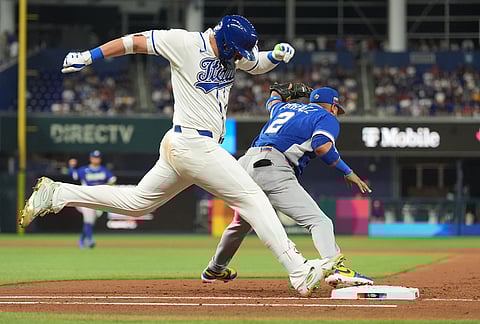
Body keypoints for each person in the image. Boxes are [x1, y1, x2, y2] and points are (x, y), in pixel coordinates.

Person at [20, 15, 343, 297]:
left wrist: (274, 55)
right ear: (225, 40)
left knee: (138, 203)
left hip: (185, 146)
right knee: (253, 198)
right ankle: (300, 272)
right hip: (193, 143)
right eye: (236, 50)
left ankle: (59, 192)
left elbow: (255, 63)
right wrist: (90, 55)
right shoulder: (184, 42)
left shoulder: (230, 53)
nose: (237, 57)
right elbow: (135, 41)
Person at [202, 84, 373, 288]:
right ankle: (337, 269)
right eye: (337, 110)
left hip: (243, 164)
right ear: (334, 107)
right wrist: (348, 171)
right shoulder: (326, 117)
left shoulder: (285, 108)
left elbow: (273, 99)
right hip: (273, 166)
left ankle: (215, 268)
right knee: (319, 221)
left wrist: (281, 91)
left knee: (241, 223)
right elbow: (322, 146)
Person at [68, 150, 116, 248]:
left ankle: (81, 240)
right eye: (94, 157)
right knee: (89, 219)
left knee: (90, 221)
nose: (96, 159)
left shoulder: (103, 170)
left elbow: (113, 179)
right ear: (90, 158)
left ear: (100, 159)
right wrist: (71, 166)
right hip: (84, 198)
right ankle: (90, 240)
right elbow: (73, 175)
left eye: (98, 157)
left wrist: (104, 186)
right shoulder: (84, 170)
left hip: (96, 199)